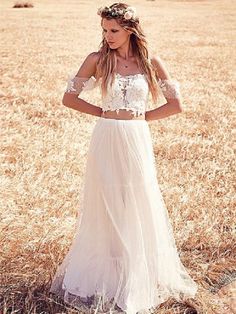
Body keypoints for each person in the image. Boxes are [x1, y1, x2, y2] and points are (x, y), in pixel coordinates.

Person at [49, 3, 198, 314]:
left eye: (114, 30)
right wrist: (103, 113)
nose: (108, 36)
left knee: (136, 199)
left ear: (131, 29)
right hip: (106, 137)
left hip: (136, 139)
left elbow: (176, 105)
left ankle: (134, 272)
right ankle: (108, 272)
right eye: (104, 30)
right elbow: (69, 98)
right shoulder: (97, 60)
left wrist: (141, 119)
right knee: (107, 200)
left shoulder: (151, 63)